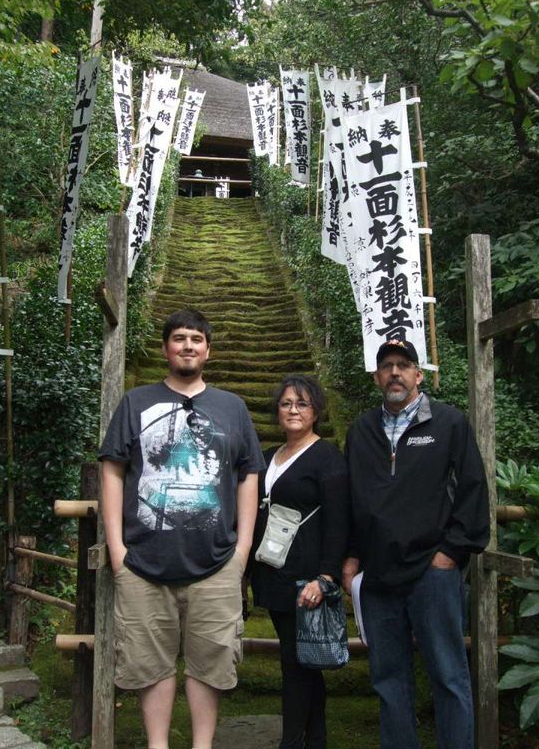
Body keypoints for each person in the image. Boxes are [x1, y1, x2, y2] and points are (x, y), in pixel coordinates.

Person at [98, 308, 264, 749]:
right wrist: (117, 548)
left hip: (215, 561)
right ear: (166, 347)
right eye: (179, 338)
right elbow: (113, 469)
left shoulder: (232, 407)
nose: (187, 345)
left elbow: (250, 473)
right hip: (143, 561)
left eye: (196, 338)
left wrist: (242, 549)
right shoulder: (136, 401)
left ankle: (202, 745)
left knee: (210, 663)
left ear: (208, 349)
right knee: (148, 663)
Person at [342, 339, 490, 749]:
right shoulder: (361, 431)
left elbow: (473, 490)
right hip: (378, 575)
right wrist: (352, 556)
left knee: (448, 674)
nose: (395, 373)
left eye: (404, 365)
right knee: (388, 679)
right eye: (387, 366)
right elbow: (352, 500)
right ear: (376, 377)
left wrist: (452, 553)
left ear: (418, 374)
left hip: (433, 572)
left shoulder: (448, 424)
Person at [250, 375, 349, 749]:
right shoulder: (268, 456)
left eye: (302, 403)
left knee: (296, 665)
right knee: (299, 662)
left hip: (305, 579)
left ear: (316, 411)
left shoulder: (327, 458)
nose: (293, 410)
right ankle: (314, 739)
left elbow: (339, 522)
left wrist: (325, 576)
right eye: (287, 403)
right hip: (271, 573)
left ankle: (293, 741)